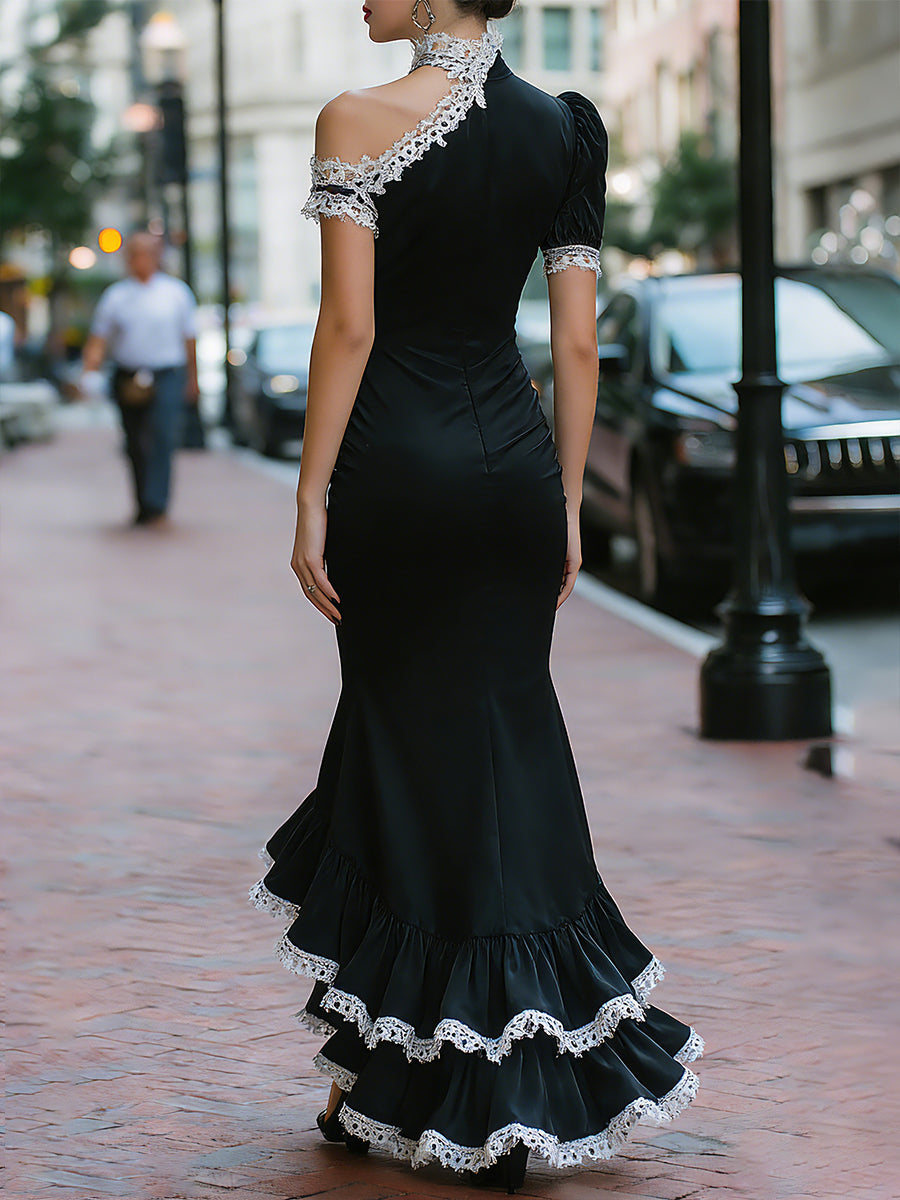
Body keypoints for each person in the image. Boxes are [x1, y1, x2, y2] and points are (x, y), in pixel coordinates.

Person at [249, 1, 703, 1191]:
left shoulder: (357, 119)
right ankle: (427, 1065)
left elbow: (349, 328)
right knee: (506, 741)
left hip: (399, 471)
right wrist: (562, 497)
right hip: (509, 475)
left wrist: (308, 496)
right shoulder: (566, 130)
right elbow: (577, 343)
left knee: (404, 745)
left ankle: (425, 1068)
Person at [82, 233, 199, 527]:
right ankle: (143, 503)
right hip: (128, 375)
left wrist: (192, 380)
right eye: (135, 254)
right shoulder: (116, 296)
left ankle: (157, 504)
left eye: (146, 253)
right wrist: (90, 371)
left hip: (167, 374)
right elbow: (98, 339)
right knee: (135, 440)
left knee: (162, 435)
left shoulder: (176, 292)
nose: (140, 260)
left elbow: (189, 340)